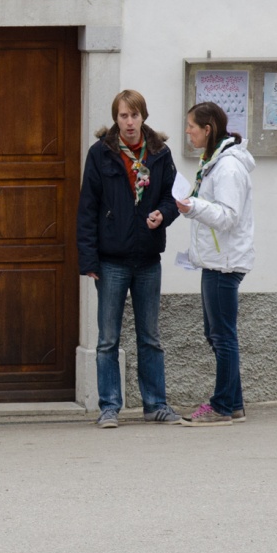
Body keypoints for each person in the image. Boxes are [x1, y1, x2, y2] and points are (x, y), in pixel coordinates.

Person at [75, 90, 182, 429]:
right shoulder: (100, 154)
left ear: (143, 117)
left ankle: (155, 404)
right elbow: (87, 209)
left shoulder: (160, 154)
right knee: (107, 340)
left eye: (134, 115)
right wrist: (88, 259)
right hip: (111, 261)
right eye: (123, 116)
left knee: (150, 336)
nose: (129, 122)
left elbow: (172, 197)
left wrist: (162, 215)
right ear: (116, 119)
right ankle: (109, 407)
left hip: (148, 259)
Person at [176, 102, 256, 427]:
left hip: (225, 264)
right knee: (216, 334)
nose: (187, 132)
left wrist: (192, 205)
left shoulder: (229, 168)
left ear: (207, 130)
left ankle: (221, 406)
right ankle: (234, 403)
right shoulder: (214, 162)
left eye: (192, 127)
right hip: (214, 261)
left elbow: (228, 216)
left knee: (222, 336)